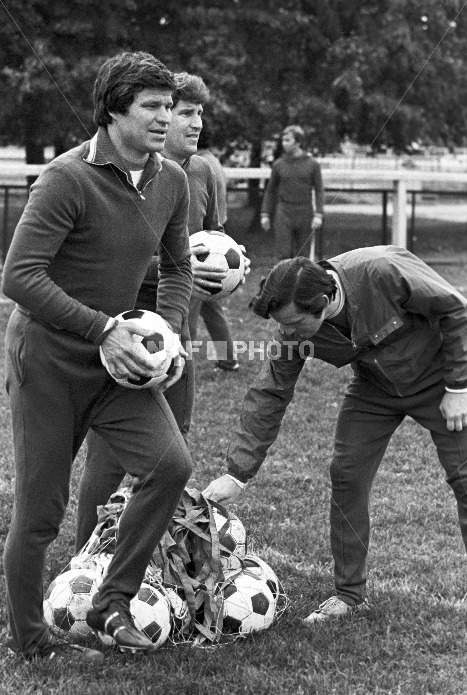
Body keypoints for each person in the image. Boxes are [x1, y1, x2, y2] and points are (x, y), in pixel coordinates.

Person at [2, 51, 193, 663]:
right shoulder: (66, 177)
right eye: (152, 106)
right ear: (114, 111)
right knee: (41, 510)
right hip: (49, 361)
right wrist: (103, 327)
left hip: (121, 363)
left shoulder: (173, 180)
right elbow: (20, 276)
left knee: (169, 464)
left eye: (169, 106)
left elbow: (179, 266)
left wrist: (170, 333)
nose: (165, 117)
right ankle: (32, 640)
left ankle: (112, 602)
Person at [203, 246, 467, 624]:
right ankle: (349, 595)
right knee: (346, 475)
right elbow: (270, 393)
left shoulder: (381, 272)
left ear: (324, 303)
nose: (286, 333)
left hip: (442, 381)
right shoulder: (293, 331)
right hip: (375, 389)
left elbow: (455, 309)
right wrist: (237, 473)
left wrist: (459, 387)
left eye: (293, 324)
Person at [75, 72, 236, 553]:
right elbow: (118, 257)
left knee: (174, 450)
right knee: (109, 458)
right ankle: (84, 559)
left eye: (196, 113)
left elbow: (203, 246)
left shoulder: (200, 172)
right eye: (184, 112)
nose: (192, 122)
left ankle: (152, 554)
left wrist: (226, 262)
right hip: (131, 332)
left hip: (178, 333)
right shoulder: (130, 173)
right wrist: (175, 269)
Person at [189, 117, 239, 371]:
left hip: (208, 244)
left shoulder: (199, 165)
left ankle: (187, 359)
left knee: (199, 305)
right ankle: (227, 357)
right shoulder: (213, 162)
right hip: (216, 241)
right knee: (210, 307)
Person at [260, 125, 324, 262]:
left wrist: (319, 214)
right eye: (283, 140)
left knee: (303, 256)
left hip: (305, 212)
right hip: (284, 212)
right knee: (283, 254)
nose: (284, 143)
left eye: (288, 140)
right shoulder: (279, 164)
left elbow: (319, 190)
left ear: (298, 142)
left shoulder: (312, 164)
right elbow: (270, 190)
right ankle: (283, 282)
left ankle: (302, 283)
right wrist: (265, 213)